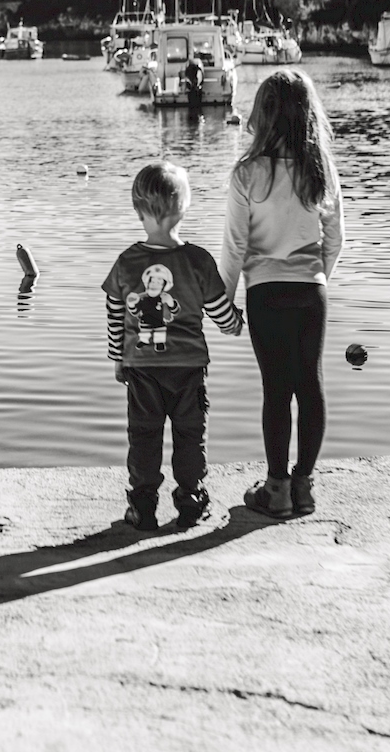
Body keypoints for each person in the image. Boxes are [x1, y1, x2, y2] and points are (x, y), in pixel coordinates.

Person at [221, 69, 345, 520]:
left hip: (265, 293)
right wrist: (317, 278)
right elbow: (336, 240)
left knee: (276, 389)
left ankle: (276, 488)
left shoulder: (247, 174)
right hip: (311, 292)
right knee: (310, 384)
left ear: (262, 117)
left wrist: (224, 305)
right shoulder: (321, 171)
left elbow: (235, 246)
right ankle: (304, 486)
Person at [102, 162, 242, 531]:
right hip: (188, 368)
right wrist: (236, 325)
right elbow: (219, 312)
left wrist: (118, 357)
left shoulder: (127, 262)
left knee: (144, 436)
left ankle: (143, 505)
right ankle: (191, 500)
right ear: (185, 207)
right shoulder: (198, 261)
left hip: (141, 368)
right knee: (190, 434)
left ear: (137, 210)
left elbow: (115, 312)